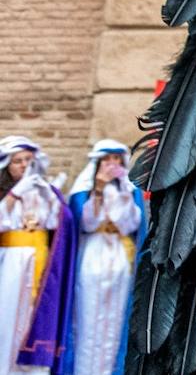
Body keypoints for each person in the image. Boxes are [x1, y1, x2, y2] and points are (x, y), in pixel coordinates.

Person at [61, 141, 144, 375]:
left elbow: (132, 224)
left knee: (115, 318)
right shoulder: (84, 189)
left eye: (117, 160)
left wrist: (126, 196)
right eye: (107, 160)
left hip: (120, 259)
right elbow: (86, 223)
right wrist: (98, 189)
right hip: (92, 257)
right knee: (87, 316)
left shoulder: (129, 190)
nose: (112, 165)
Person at [0, 136, 75, 374]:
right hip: (10, 262)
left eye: (28, 161)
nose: (23, 166)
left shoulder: (46, 192)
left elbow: (60, 225)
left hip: (41, 264)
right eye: (18, 161)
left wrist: (52, 198)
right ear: (7, 166)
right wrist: (14, 195)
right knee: (8, 316)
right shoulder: (6, 193)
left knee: (35, 317)